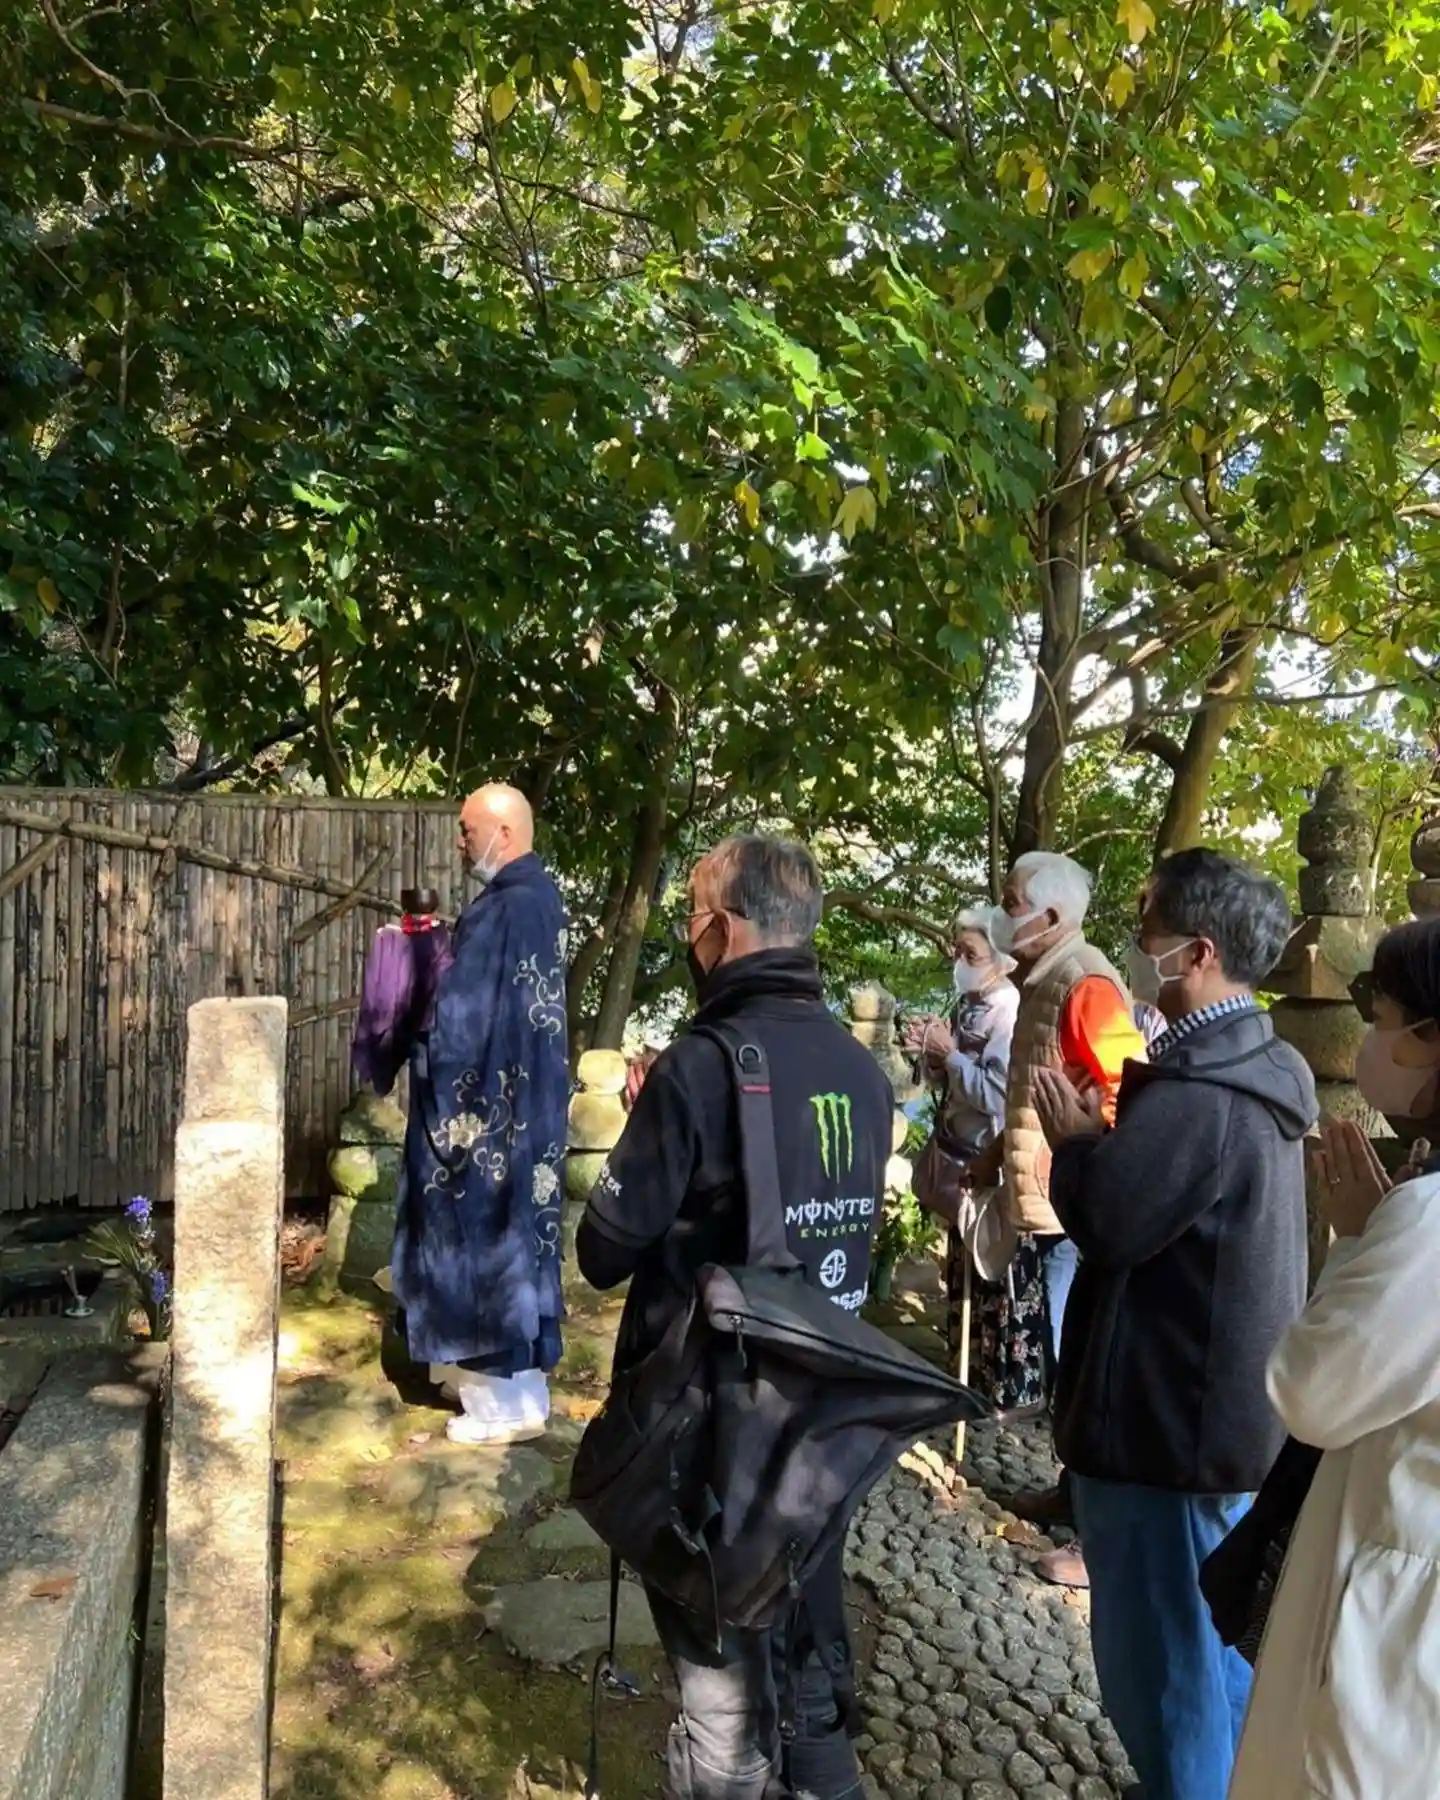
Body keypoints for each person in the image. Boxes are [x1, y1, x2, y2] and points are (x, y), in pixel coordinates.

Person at [576, 834, 894, 1800]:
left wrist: (647, 1133)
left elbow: (602, 1252)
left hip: (711, 1434)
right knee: (802, 1647)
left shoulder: (698, 1068)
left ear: (723, 927)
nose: (689, 935)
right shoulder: (862, 1069)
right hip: (822, 1421)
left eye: (693, 916)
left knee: (719, 1685)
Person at [1034, 848, 1315, 1800]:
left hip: (1168, 1430)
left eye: (1148, 925)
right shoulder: (1254, 1068)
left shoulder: (1206, 1092)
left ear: (1198, 953)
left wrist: (1077, 1148)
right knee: (1210, 1656)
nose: (1135, 943)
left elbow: (1116, 1221)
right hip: (1213, 1419)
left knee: (1167, 1669)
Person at [1228, 917, 1440, 1800]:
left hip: (1395, 1596)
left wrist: (1357, 1239)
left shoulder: (1428, 1223)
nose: (1371, 1044)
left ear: (1431, 1037)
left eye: (1383, 1019)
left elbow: (1311, 1391)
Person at [982, 851, 1145, 1582]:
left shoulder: (1086, 984)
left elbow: (1125, 1089)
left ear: (1049, 918)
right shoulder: (1046, 980)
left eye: (1012, 901)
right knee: (1066, 1361)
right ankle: (1073, 1490)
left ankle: (1094, 1526)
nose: (1003, 912)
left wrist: (1086, 1156)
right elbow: (1029, 1090)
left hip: (1076, 1202)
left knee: (1082, 1366)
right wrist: (994, 1158)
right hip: (1048, 1199)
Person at [391, 784, 570, 1446]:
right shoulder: (540, 899)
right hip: (530, 1103)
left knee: (483, 1231)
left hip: (491, 1109)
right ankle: (515, 1384)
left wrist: (411, 994)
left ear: (505, 832)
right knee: (524, 1233)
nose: (460, 841)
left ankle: (500, 1403)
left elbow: (460, 1019)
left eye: (469, 830)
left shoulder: (505, 909)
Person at [903, 908, 1032, 1407]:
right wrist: (931, 1053)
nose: (959, 961)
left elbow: (996, 1095)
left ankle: (993, 1386)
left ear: (1001, 960)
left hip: (989, 1166)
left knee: (989, 1274)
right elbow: (952, 1081)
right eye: (957, 951)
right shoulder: (967, 1003)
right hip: (957, 1158)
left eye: (970, 954)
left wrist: (952, 1055)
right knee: (958, 1270)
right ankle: (961, 1369)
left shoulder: (1008, 1011)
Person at [351, 886, 453, 1097]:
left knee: (424, 1094)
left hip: (420, 1031)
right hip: (426, 1030)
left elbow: (376, 996)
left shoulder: (392, 940)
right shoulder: (440, 941)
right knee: (427, 1096)